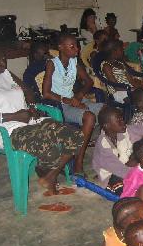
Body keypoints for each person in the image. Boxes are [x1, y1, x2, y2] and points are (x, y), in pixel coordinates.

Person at [0, 42, 83, 197]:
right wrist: (14, 116)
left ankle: (50, 175)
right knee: (48, 146)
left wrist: (32, 106)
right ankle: (46, 173)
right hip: (8, 131)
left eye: (4, 58)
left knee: (75, 135)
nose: (3, 63)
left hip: (30, 121)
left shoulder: (6, 73)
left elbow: (27, 91)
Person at [42, 33, 103, 176]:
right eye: (72, 46)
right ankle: (78, 163)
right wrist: (70, 101)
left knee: (107, 111)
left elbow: (89, 81)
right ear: (60, 47)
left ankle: (105, 157)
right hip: (59, 105)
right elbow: (46, 93)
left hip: (75, 100)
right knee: (89, 117)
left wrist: (79, 96)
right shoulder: (52, 64)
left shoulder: (75, 62)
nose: (77, 49)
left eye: (77, 45)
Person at [101, 39, 143, 121]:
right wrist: (135, 89)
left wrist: (140, 85)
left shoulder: (121, 63)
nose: (123, 51)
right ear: (114, 51)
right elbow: (116, 86)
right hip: (119, 93)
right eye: (121, 49)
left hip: (131, 90)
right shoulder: (106, 66)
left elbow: (131, 80)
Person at [92, 106, 136, 195]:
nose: (123, 122)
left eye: (122, 119)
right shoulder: (104, 146)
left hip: (126, 166)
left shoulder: (122, 131)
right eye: (118, 121)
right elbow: (119, 170)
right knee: (119, 186)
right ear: (107, 126)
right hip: (112, 174)